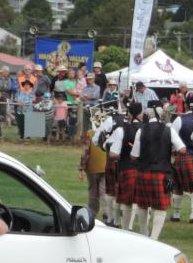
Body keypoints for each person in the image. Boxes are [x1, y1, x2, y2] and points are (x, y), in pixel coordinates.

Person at [130, 109, 186, 240]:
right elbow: (182, 149)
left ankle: (144, 234)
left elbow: (134, 155)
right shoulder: (169, 130)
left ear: (146, 117)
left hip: (143, 172)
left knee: (142, 205)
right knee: (160, 207)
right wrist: (171, 150)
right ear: (160, 117)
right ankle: (154, 238)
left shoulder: (141, 130)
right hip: (162, 173)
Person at [108, 102, 144, 230]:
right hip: (144, 170)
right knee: (142, 202)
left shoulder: (121, 129)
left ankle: (126, 228)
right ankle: (143, 231)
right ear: (140, 113)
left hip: (127, 168)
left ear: (129, 113)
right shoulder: (147, 128)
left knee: (127, 201)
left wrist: (122, 154)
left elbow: (113, 154)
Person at [170, 107, 193, 224]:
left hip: (183, 156)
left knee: (178, 186)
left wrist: (173, 151)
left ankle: (176, 213)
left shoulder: (179, 119)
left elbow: (172, 138)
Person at [79, 129, 108, 218]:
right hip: (106, 167)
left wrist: (81, 168)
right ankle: (108, 213)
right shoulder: (109, 131)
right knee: (104, 191)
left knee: (93, 192)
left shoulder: (90, 133)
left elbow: (86, 152)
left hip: (93, 168)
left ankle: (92, 213)